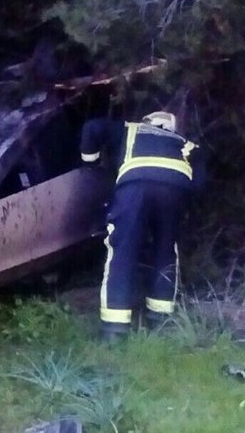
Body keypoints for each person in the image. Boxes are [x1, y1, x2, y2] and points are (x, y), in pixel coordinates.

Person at [80, 111, 205, 342]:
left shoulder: (129, 128)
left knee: (122, 250)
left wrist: (92, 164)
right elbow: (199, 184)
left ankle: (114, 331)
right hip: (175, 189)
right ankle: (161, 323)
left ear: (146, 121)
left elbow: (92, 128)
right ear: (172, 128)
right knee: (165, 250)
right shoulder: (188, 145)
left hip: (134, 184)